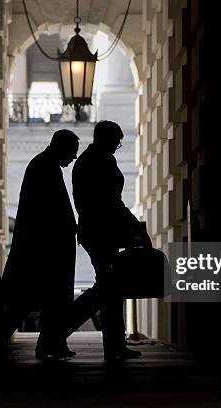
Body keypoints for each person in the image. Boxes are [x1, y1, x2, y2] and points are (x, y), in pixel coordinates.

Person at [70, 120, 146, 360]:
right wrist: (132, 223)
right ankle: (61, 329)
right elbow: (109, 202)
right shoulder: (96, 161)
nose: (117, 146)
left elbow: (112, 201)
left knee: (110, 287)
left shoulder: (96, 159)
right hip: (100, 233)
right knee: (108, 288)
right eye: (116, 141)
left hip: (100, 232)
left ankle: (114, 345)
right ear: (104, 138)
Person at [1, 129, 79, 360]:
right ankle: (46, 344)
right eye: (72, 152)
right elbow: (48, 212)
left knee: (40, 300)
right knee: (35, 300)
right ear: (61, 147)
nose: (74, 158)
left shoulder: (44, 165)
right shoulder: (44, 167)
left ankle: (51, 344)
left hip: (46, 248)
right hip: (45, 250)